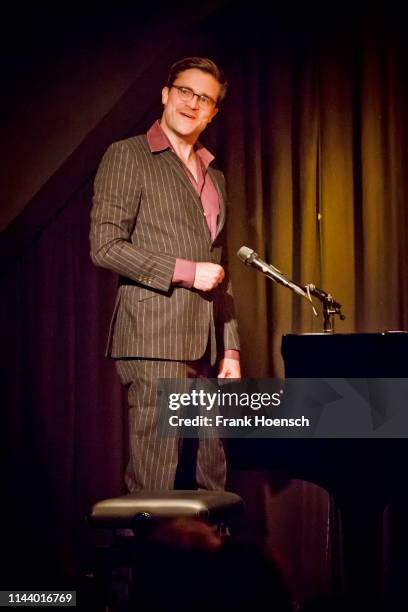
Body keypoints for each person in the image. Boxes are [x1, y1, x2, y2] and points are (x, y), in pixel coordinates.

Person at [90, 57, 240, 493]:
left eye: (205, 98)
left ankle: (206, 561)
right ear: (165, 94)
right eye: (185, 91)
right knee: (157, 477)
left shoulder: (216, 177)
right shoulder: (128, 155)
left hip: (207, 345)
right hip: (154, 337)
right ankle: (148, 562)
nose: (193, 103)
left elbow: (220, 269)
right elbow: (105, 246)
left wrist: (230, 347)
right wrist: (186, 272)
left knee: (210, 475)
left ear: (214, 112)